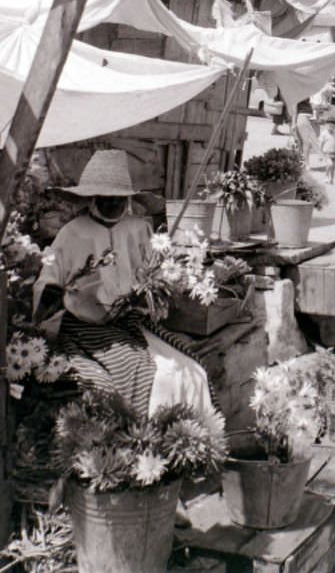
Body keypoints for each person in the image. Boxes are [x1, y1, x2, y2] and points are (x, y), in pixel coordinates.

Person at [33, 149, 213, 419]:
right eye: (105, 197)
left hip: (130, 324)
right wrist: (58, 295)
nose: (112, 203)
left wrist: (150, 294)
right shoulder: (71, 233)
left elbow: (156, 273)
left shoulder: (138, 228)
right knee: (150, 373)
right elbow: (46, 283)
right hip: (86, 330)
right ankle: (147, 440)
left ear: (128, 199)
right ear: (92, 197)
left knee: (191, 369)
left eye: (118, 198)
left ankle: (192, 441)